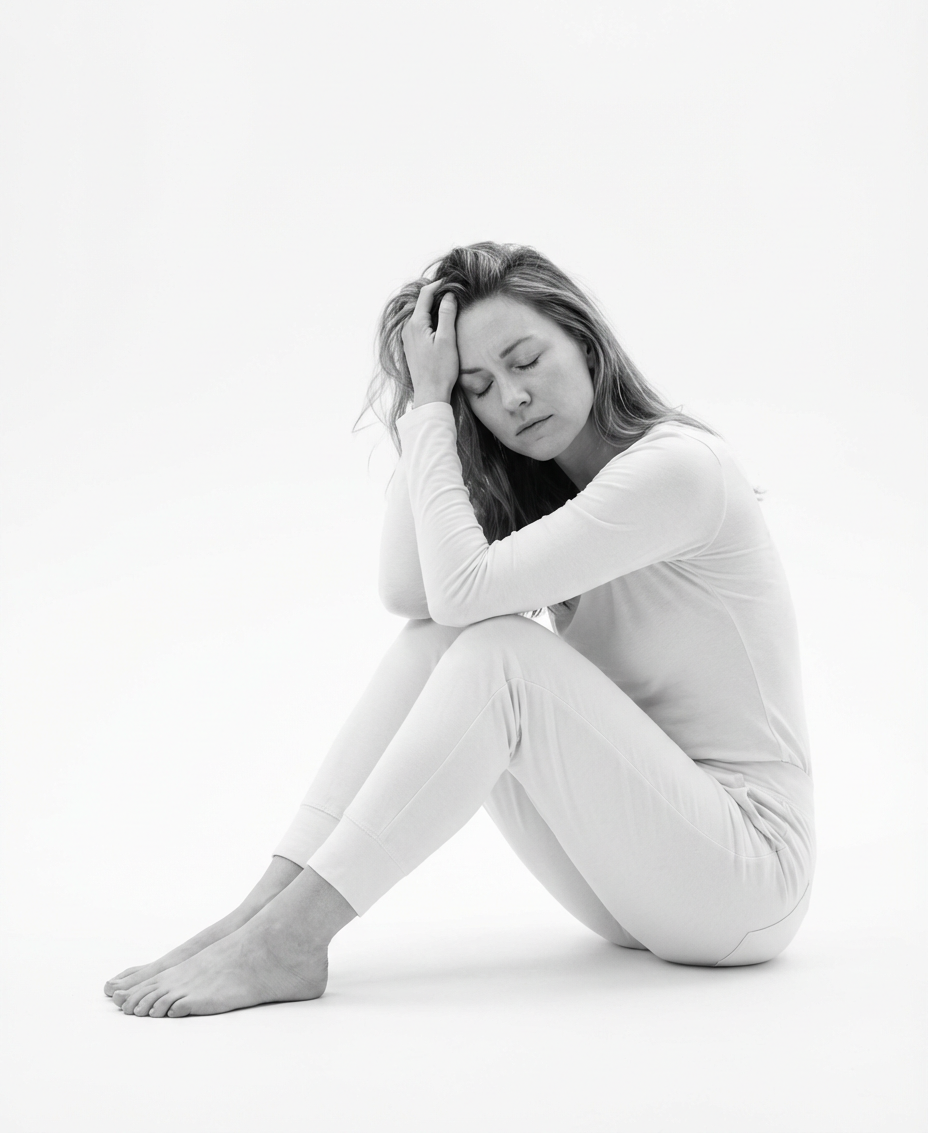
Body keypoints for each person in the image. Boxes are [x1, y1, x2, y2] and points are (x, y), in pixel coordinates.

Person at [105, 241, 816, 1019]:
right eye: (478, 385)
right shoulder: (563, 496)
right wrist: (427, 401)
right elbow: (412, 593)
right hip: (641, 890)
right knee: (444, 641)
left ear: (585, 342)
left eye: (526, 360)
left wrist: (435, 413)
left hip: (748, 879)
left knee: (497, 650)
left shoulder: (680, 470)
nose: (511, 397)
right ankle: (264, 913)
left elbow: (461, 590)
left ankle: (294, 937)